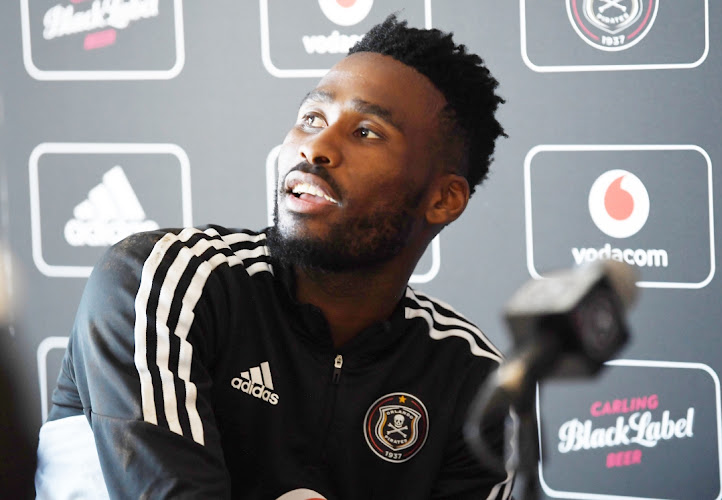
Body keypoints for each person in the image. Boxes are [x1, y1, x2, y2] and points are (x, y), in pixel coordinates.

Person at [35, 15, 511, 500]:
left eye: (366, 132)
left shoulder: (470, 380)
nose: (317, 147)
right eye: (312, 119)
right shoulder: (165, 281)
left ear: (444, 199)